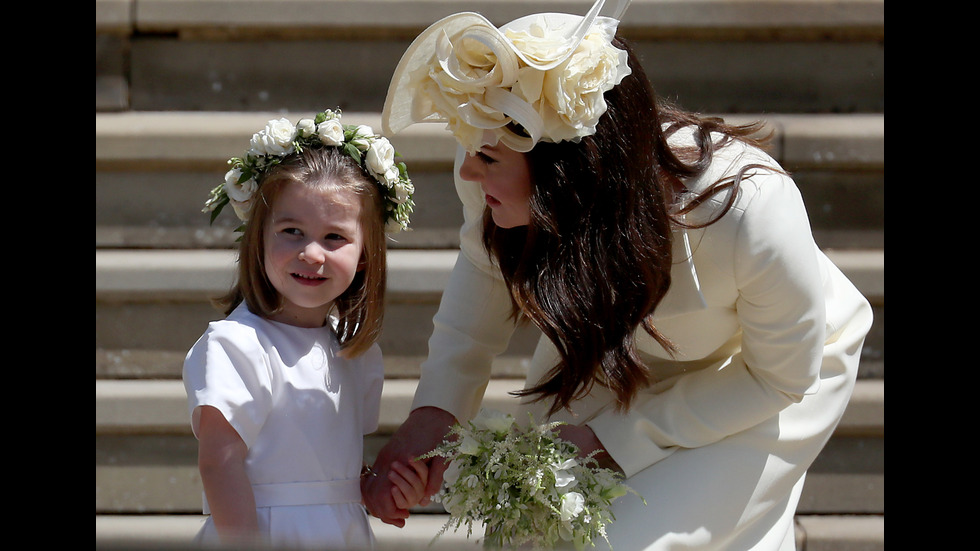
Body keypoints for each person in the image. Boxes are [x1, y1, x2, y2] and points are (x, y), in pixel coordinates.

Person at [362, 1, 874, 549]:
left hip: (761, 376)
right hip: (616, 342)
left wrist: (615, 439)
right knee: (529, 531)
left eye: (487, 156)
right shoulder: (495, 177)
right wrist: (435, 414)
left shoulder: (750, 210)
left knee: (628, 542)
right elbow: (483, 281)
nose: (466, 171)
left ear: (568, 170)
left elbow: (779, 378)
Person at [183, 110, 426, 549]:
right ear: (259, 238)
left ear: (366, 253)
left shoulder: (354, 353)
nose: (312, 253)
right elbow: (220, 465)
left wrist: (373, 490)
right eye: (292, 231)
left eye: (334, 237)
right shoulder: (237, 345)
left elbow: (331, 471)